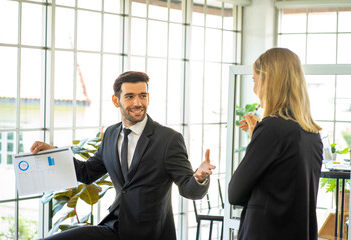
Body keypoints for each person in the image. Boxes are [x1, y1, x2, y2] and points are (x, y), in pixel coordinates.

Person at [31, 71, 216, 240]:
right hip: (114, 227)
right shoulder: (111, 134)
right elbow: (87, 173)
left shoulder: (168, 139)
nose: (138, 103)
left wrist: (199, 178)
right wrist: (54, 153)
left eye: (142, 96)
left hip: (150, 233)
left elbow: (188, 189)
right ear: (115, 100)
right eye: (130, 96)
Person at [228, 48, 323, 240]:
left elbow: (235, 194)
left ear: (267, 80)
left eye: (254, 81)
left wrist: (258, 139)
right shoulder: (312, 134)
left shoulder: (272, 128)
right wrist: (258, 137)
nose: (254, 89)